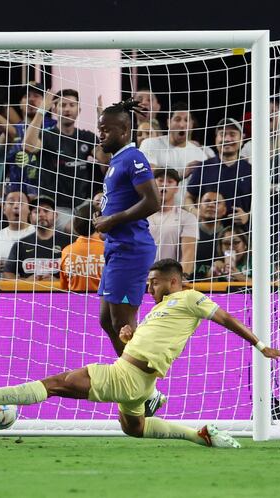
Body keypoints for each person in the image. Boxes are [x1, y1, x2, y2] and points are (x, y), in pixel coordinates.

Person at [0, 258, 280, 449]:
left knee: (57, 383)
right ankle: (199, 435)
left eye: (155, 282)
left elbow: (227, 318)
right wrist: (130, 335)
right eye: (149, 282)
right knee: (134, 428)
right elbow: (150, 342)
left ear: (174, 281)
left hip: (127, 376)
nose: (150, 287)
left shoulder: (190, 298)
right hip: (136, 380)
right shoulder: (157, 310)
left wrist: (260, 345)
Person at [94, 99, 163, 416]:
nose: (101, 135)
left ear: (124, 130)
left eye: (106, 130)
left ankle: (146, 391)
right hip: (116, 247)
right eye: (99, 130)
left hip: (131, 248)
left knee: (123, 324)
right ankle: (138, 384)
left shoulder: (134, 157)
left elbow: (153, 201)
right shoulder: (116, 161)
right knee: (106, 321)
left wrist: (113, 219)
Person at [23, 89, 100, 224]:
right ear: (54, 110)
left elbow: (105, 158)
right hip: (55, 208)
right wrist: (41, 111)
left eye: (71, 105)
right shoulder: (47, 136)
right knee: (77, 230)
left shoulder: (86, 137)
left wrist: (103, 125)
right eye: (63, 105)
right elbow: (28, 146)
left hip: (82, 204)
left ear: (79, 110)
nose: (67, 109)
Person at [185, 118, 252, 223]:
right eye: (222, 134)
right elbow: (188, 198)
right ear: (216, 139)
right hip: (208, 234)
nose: (227, 139)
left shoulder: (250, 171)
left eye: (232, 134)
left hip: (239, 234)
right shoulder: (203, 167)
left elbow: (261, 202)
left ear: (242, 139)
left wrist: (248, 216)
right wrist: (195, 211)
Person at [139, 102, 213, 181]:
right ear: (168, 122)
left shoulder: (200, 155)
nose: (182, 125)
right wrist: (180, 174)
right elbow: (146, 174)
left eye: (186, 120)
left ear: (192, 125)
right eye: (177, 119)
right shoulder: (150, 144)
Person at [3, 195, 70, 281]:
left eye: (46, 210)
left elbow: (78, 276)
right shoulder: (20, 245)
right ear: (30, 218)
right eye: (36, 211)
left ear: (55, 216)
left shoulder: (69, 242)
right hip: (29, 294)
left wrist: (58, 282)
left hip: (59, 294)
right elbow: (7, 275)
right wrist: (26, 282)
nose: (41, 214)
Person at [148, 168, 198, 278]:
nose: (164, 185)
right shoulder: (141, 216)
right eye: (160, 180)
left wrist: (182, 278)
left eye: (170, 182)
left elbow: (189, 253)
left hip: (170, 280)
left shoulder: (187, 218)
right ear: (153, 185)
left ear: (176, 189)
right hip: (141, 278)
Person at [0, 189, 35, 278]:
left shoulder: (39, 235)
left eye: (21, 202)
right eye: (11, 202)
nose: (16, 206)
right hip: (1, 290)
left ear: (29, 209)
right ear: (4, 209)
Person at [60, 204, 105, 292]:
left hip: (75, 304)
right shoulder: (108, 249)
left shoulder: (67, 251)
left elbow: (64, 287)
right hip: (103, 303)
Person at [194, 191, 229, 280]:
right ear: (198, 206)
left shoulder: (230, 235)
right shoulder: (187, 233)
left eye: (217, 202)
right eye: (207, 201)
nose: (211, 205)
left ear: (224, 210)